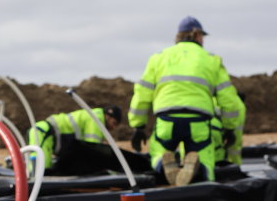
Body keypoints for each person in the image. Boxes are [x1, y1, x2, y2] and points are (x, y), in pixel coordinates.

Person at [128, 16, 246, 186]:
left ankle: (164, 165)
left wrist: (137, 125)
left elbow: (141, 93)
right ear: (196, 35)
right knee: (205, 161)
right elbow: (228, 99)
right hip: (199, 121)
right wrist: (229, 127)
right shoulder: (212, 60)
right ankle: (200, 172)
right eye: (202, 36)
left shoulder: (159, 58)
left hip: (167, 120)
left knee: (158, 153)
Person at [27, 105, 122, 169]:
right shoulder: (97, 119)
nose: (113, 128)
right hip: (44, 133)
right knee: (39, 172)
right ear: (108, 116)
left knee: (41, 171)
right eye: (114, 123)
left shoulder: (94, 116)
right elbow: (93, 147)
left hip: (44, 133)